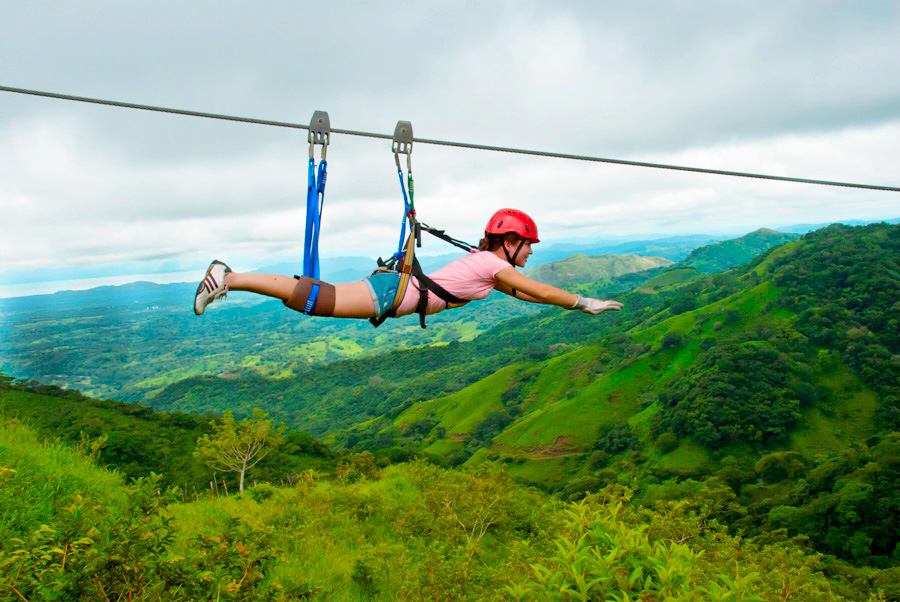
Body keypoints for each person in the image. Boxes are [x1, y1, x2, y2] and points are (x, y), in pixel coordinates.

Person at [193, 208, 624, 321]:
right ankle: (227, 277)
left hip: (394, 293)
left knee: (315, 298)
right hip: (393, 293)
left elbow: (533, 296)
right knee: (315, 299)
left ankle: (229, 279)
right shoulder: (493, 266)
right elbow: (544, 290)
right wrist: (585, 302)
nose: (530, 253)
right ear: (508, 243)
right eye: (527, 246)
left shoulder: (489, 270)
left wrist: (571, 306)